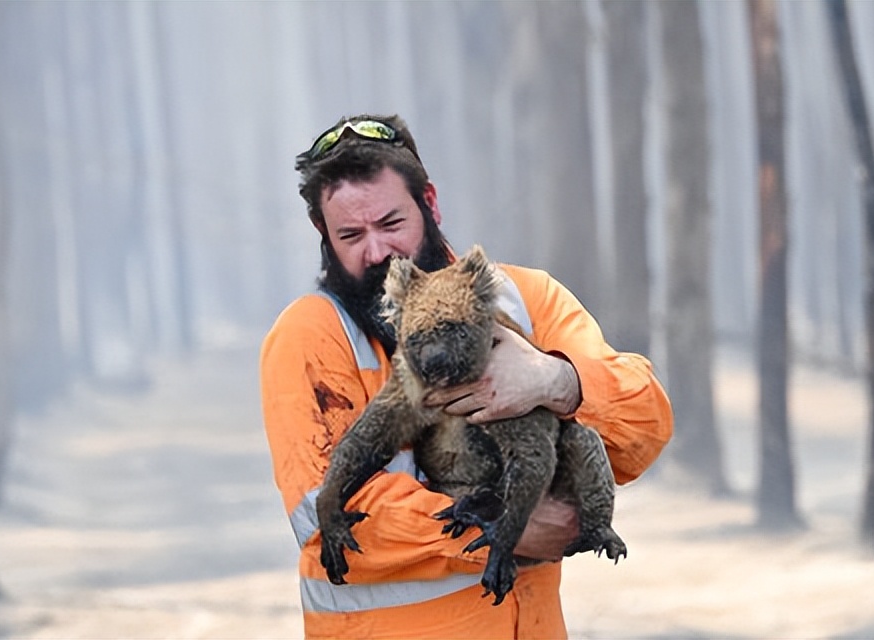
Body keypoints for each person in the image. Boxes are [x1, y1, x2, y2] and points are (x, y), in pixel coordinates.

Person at [260, 114, 673, 639]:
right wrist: (502, 529)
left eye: (391, 224)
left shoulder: (524, 300)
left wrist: (555, 380)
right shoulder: (311, 335)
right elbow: (324, 515)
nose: (376, 252)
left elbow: (645, 425)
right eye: (350, 234)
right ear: (323, 233)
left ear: (429, 204)